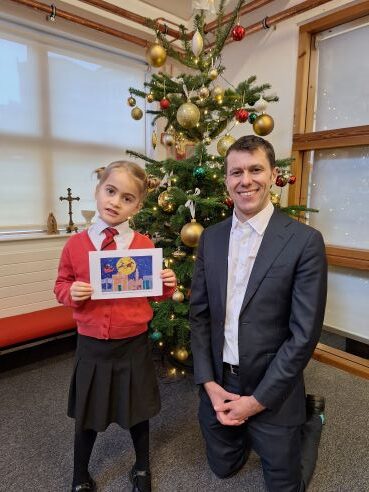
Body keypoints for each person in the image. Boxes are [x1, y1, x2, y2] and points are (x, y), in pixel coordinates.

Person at [190, 135, 327, 492]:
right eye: (236, 172)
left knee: (285, 486)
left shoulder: (304, 241)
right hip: (221, 381)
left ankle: (309, 424)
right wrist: (209, 383)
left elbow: (303, 336)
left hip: (272, 387)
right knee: (223, 468)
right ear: (226, 180)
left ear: (272, 175)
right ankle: (245, 430)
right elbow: (200, 315)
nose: (245, 180)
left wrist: (256, 403)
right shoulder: (211, 238)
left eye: (255, 170)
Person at [54, 161, 177, 492]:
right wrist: (71, 292)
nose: (114, 202)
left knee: (139, 412)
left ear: (137, 205)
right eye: (110, 191)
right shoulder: (76, 245)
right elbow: (61, 285)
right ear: (98, 191)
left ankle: (142, 468)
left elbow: (155, 293)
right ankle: (80, 474)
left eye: (126, 198)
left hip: (132, 345)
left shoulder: (143, 245)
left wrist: (166, 283)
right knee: (87, 415)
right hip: (92, 346)